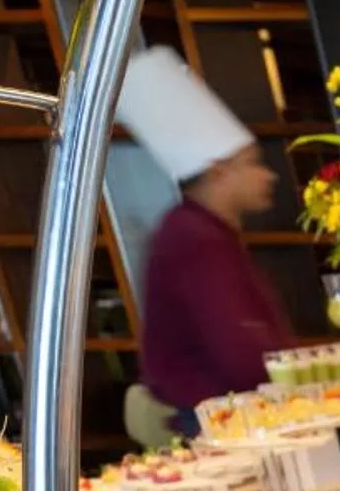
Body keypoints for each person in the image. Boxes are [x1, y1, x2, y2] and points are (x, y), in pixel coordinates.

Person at [118, 46, 294, 436]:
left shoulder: (202, 230)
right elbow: (236, 348)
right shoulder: (193, 238)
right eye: (251, 163)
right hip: (218, 419)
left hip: (231, 409)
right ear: (218, 173)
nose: (268, 176)